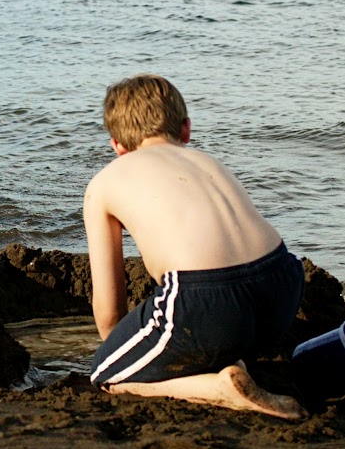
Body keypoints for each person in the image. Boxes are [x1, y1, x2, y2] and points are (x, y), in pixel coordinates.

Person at [84, 74, 304, 418]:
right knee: (220, 331)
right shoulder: (208, 162)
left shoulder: (105, 182)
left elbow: (110, 311)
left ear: (117, 146)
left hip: (207, 299)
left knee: (105, 372)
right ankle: (231, 355)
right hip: (282, 286)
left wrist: (121, 348)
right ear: (185, 129)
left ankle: (217, 387)